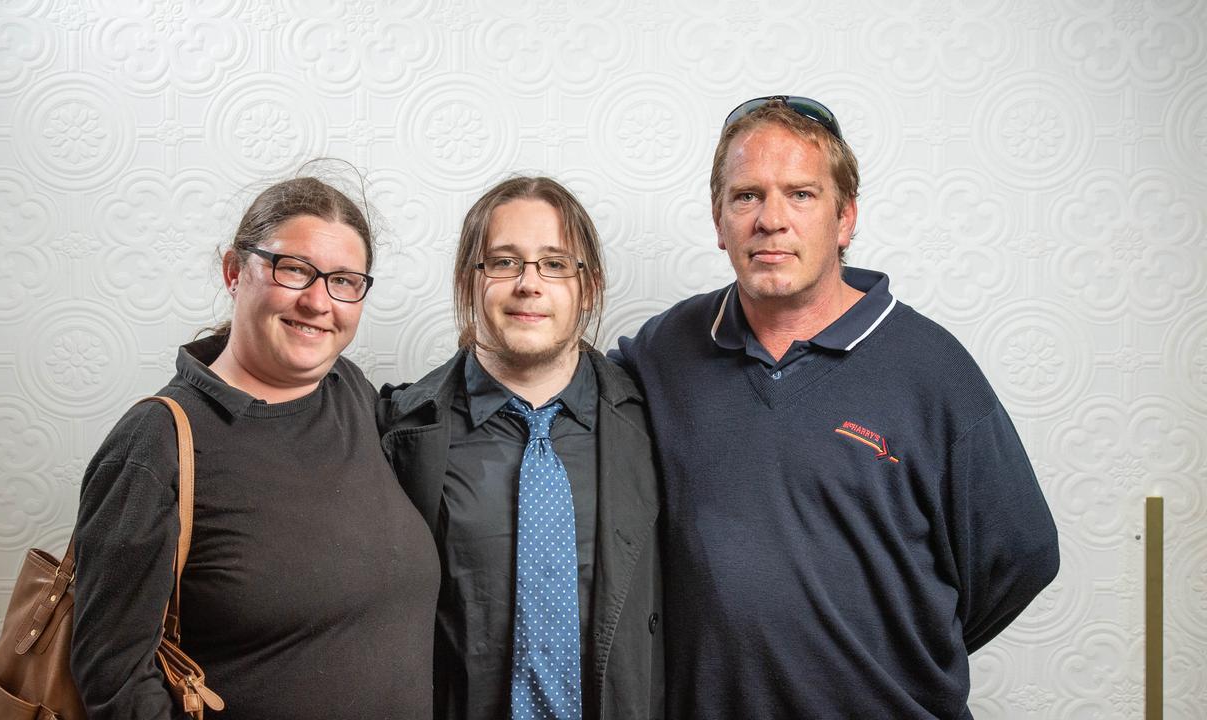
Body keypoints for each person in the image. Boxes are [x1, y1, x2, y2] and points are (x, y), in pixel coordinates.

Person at [614, 96, 1060, 718]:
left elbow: (1022, 556)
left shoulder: (931, 369)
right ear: (718, 221)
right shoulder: (666, 349)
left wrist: (904, 649)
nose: (771, 219)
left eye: (800, 194)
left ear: (845, 217)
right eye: (746, 196)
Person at [71, 174, 439, 719]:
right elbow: (113, 677)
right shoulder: (157, 444)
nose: (319, 301)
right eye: (293, 270)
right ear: (233, 271)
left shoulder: (351, 395)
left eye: (344, 280)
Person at [379, 176, 663, 720]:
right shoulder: (398, 432)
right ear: (470, 279)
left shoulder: (654, 425)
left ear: (590, 285)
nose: (529, 284)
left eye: (554, 263)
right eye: (504, 262)